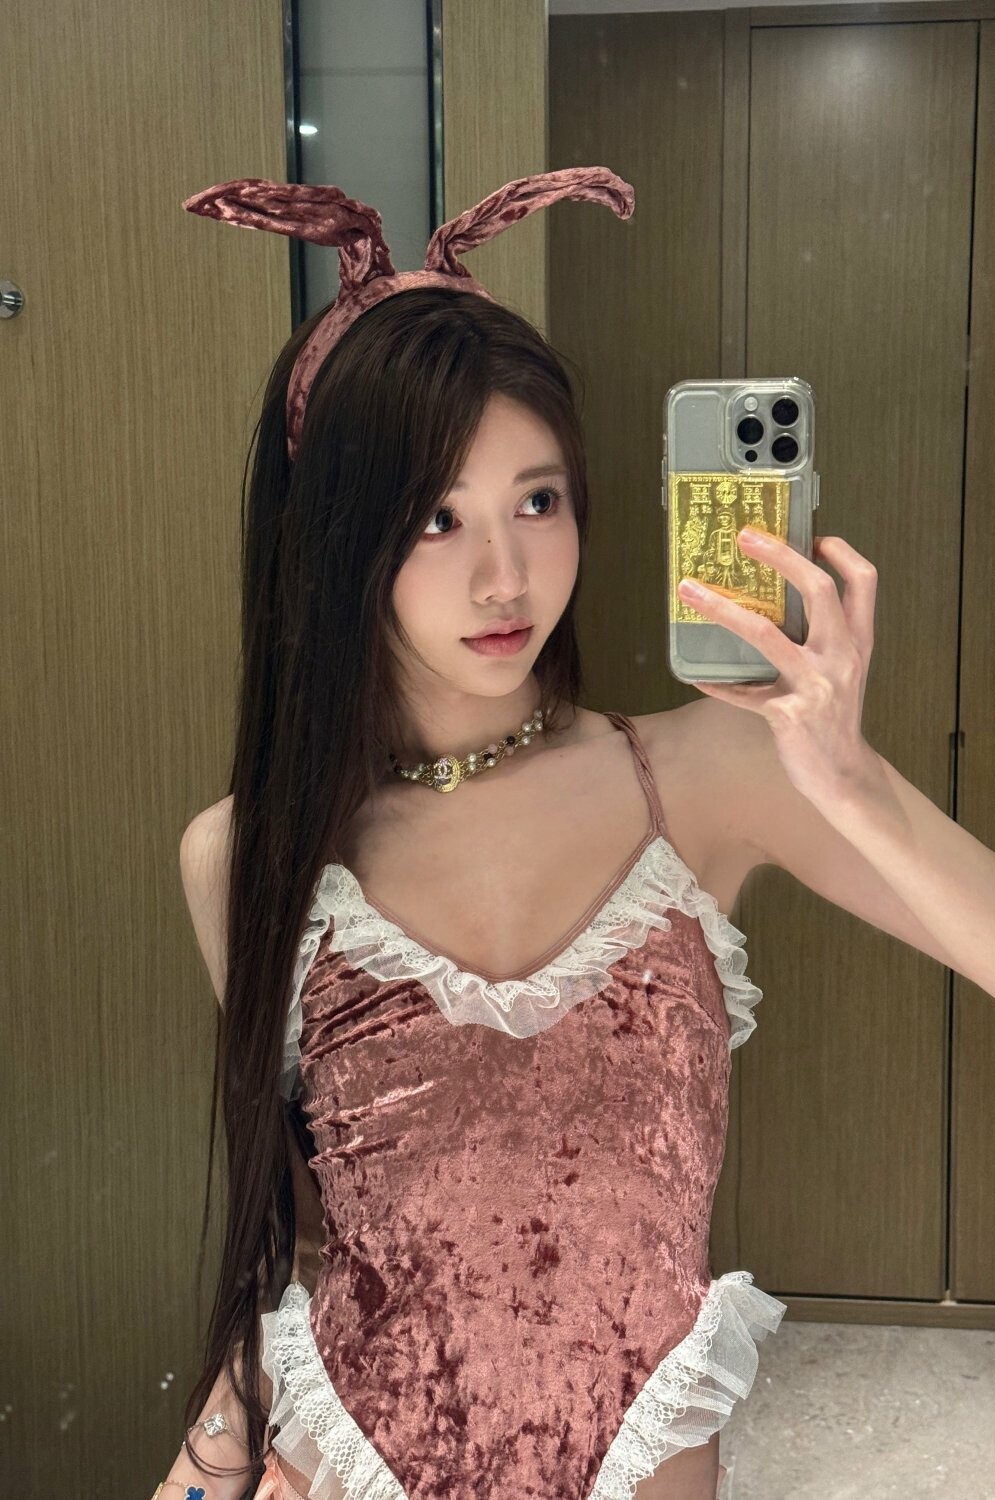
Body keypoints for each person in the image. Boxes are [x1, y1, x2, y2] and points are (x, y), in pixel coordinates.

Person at [152, 168, 789, 1500]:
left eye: (537, 501)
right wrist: (213, 1454)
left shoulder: (682, 780)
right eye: (435, 518)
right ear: (336, 543)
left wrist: (830, 757)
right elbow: (320, 1230)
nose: (504, 578)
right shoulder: (246, 858)